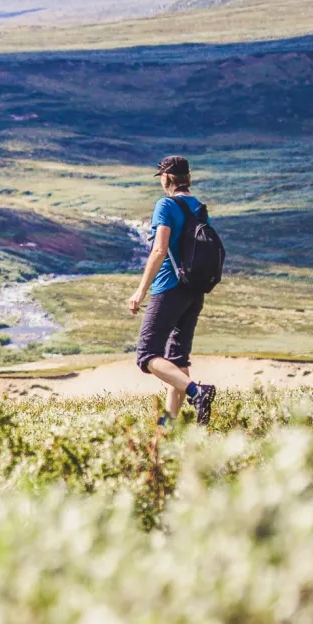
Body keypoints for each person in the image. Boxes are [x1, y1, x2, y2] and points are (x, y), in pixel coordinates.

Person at [127, 156, 218, 427]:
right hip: (194, 290)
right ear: (188, 178)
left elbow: (159, 249)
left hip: (168, 287)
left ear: (166, 178)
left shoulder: (165, 205)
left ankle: (196, 392)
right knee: (177, 360)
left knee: (147, 355)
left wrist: (140, 291)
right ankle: (168, 426)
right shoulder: (199, 209)